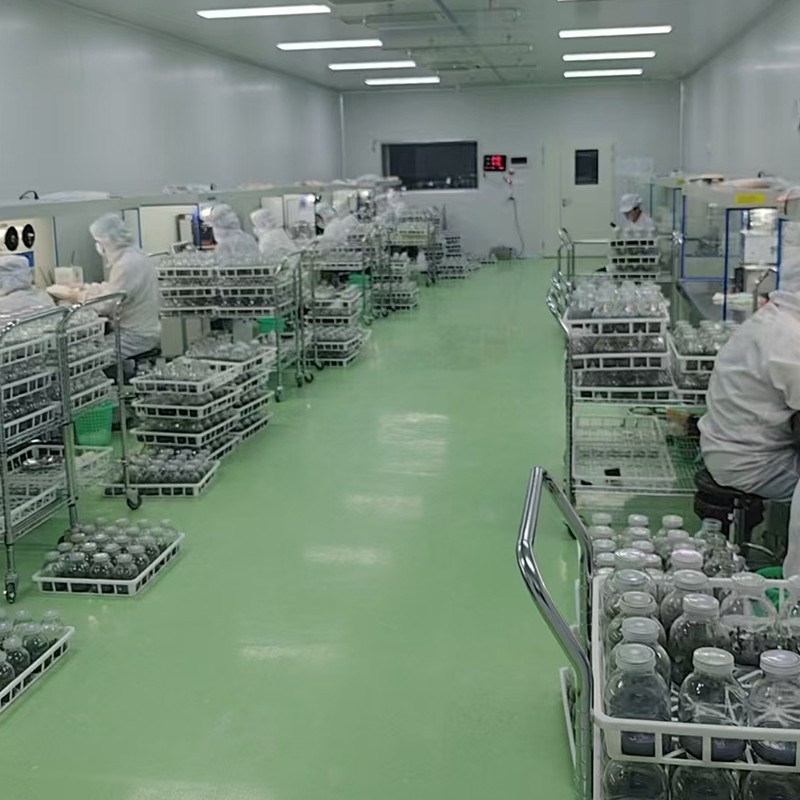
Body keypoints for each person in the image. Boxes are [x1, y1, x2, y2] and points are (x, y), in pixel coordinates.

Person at [698, 254, 800, 576]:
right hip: (749, 462)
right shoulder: (789, 338)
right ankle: (792, 577)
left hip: (730, 445)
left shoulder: (775, 318)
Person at [48, 213, 161, 360]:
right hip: (144, 330)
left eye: (98, 241)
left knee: (84, 357)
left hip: (135, 337)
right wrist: (85, 288)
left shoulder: (125, 264)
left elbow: (107, 305)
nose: (98, 246)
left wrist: (75, 297)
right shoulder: (134, 256)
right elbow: (114, 289)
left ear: (107, 241)